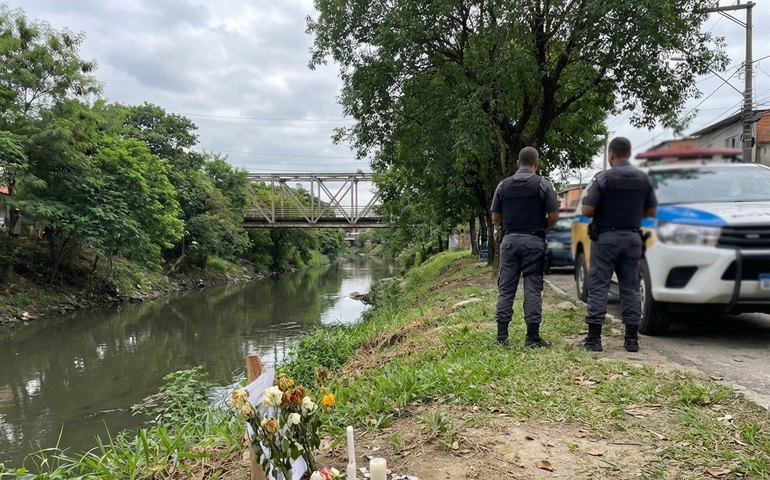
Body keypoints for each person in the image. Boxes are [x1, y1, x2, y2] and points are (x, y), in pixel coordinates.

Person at [580, 137, 658, 352]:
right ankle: (631, 339)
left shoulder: (603, 178)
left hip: (606, 239)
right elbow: (651, 211)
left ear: (611, 155)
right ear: (629, 154)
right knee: (631, 287)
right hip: (632, 239)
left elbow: (587, 210)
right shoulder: (643, 179)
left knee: (599, 286)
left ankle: (594, 340)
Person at [491, 146, 560, 347]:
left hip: (509, 241)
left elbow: (495, 217)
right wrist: (542, 228)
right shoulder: (543, 185)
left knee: (506, 289)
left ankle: (501, 337)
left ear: (517, 163)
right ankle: (532, 337)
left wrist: (506, 227)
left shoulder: (503, 186)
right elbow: (554, 216)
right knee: (532, 288)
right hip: (534, 242)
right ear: (536, 163)